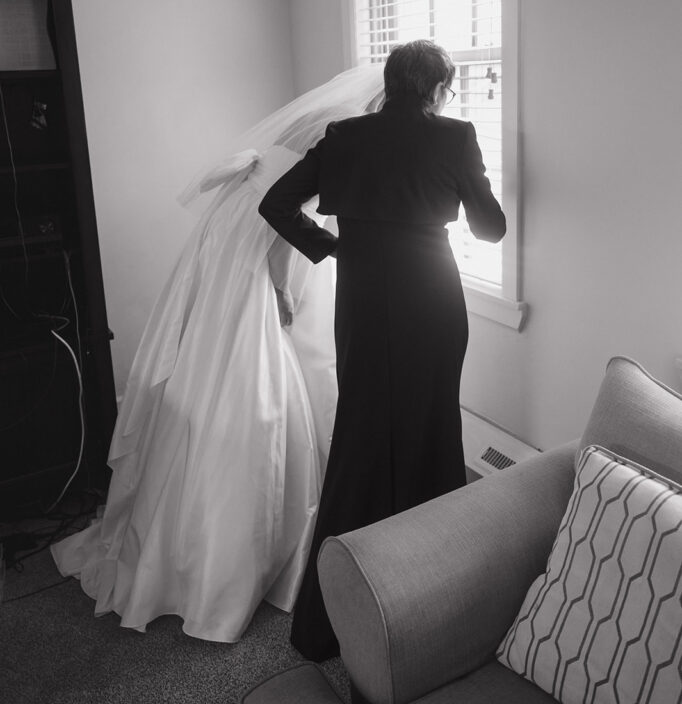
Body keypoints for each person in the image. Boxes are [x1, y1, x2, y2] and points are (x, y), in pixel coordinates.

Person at [51, 65, 384, 643]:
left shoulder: (282, 147)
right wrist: (282, 293)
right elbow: (282, 233)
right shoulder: (331, 154)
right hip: (247, 278)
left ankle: (175, 542)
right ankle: (227, 567)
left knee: (204, 389)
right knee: (257, 404)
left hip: (216, 272)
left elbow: (246, 219)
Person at [258, 39, 506, 662]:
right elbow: (489, 227)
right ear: (438, 87)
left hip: (364, 296)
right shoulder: (454, 137)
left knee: (364, 430)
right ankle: (435, 602)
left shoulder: (344, 136)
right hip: (431, 296)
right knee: (430, 425)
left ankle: (324, 624)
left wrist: (335, 247)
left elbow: (275, 203)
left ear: (389, 83)